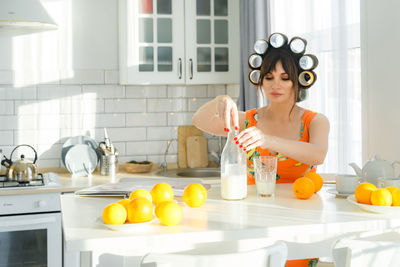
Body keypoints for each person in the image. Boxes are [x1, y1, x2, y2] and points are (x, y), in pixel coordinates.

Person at [192, 33, 329, 267]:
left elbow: (318, 154)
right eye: (269, 77)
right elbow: (199, 120)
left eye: (285, 78)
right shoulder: (247, 119)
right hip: (252, 223)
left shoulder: (315, 121)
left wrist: (266, 140)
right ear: (260, 81)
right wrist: (220, 100)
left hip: (300, 226)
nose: (276, 84)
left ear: (298, 81)